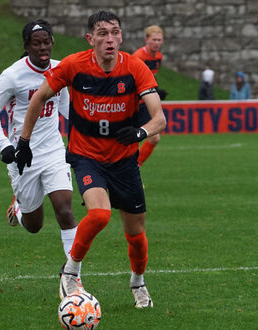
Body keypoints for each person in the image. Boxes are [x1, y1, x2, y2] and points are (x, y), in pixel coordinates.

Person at [16, 11, 166, 309]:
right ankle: (70, 270)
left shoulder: (135, 68)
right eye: (102, 33)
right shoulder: (74, 65)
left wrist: (140, 131)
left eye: (114, 32)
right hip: (87, 156)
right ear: (90, 39)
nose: (109, 39)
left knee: (135, 234)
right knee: (99, 215)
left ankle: (138, 282)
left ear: (121, 37)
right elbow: (39, 98)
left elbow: (159, 118)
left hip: (124, 161)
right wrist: (24, 141)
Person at [0, 19, 79, 300]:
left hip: (53, 151)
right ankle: (20, 210)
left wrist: (88, 135)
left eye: (47, 41)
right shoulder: (12, 76)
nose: (43, 47)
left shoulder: (61, 70)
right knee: (35, 225)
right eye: (36, 43)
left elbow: (66, 110)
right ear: (26, 47)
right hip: (22, 156)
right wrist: (4, 146)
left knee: (65, 210)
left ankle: (74, 280)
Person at [132, 25, 166, 166]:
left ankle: (135, 167)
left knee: (154, 138)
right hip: (134, 101)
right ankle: (133, 168)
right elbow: (133, 81)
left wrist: (156, 89)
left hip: (145, 101)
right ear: (146, 40)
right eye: (154, 39)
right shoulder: (138, 57)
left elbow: (150, 77)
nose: (157, 43)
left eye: (159, 40)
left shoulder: (158, 57)